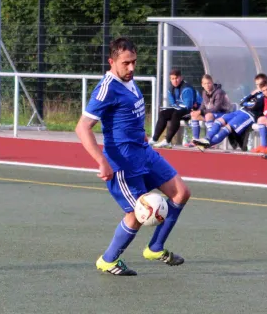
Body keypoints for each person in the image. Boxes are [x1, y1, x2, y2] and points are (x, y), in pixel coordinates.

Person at [75, 37, 191, 276]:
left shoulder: (129, 79)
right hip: (123, 163)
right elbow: (82, 127)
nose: (131, 68)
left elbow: (128, 114)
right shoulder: (106, 88)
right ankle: (108, 260)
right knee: (136, 214)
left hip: (144, 152)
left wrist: (142, 134)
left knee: (181, 192)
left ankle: (155, 247)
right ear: (112, 61)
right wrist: (101, 162)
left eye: (134, 62)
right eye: (126, 63)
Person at [193, 73, 267, 151]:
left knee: (227, 128)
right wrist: (251, 95)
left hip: (249, 115)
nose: (259, 86)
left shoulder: (264, 94)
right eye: (257, 84)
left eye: (261, 84)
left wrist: (248, 103)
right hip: (240, 111)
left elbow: (254, 106)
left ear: (266, 83)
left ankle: (207, 144)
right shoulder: (255, 93)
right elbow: (242, 102)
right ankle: (206, 139)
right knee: (219, 121)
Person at [149, 68, 200, 148]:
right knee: (163, 113)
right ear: (170, 79)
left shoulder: (186, 89)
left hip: (192, 110)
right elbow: (173, 104)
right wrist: (175, 108)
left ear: (181, 78)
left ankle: (167, 141)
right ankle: (154, 139)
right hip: (179, 109)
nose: (175, 81)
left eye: (176, 78)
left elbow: (188, 106)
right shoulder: (170, 89)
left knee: (175, 114)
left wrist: (176, 108)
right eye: (172, 79)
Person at [185, 74, 232, 147]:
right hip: (212, 115)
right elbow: (203, 106)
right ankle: (195, 140)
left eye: (209, 83)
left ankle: (210, 141)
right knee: (194, 115)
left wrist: (201, 111)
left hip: (224, 114)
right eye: (205, 83)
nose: (207, 85)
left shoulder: (219, 92)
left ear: (212, 83)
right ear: (202, 84)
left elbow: (216, 108)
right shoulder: (204, 92)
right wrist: (197, 112)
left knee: (208, 115)